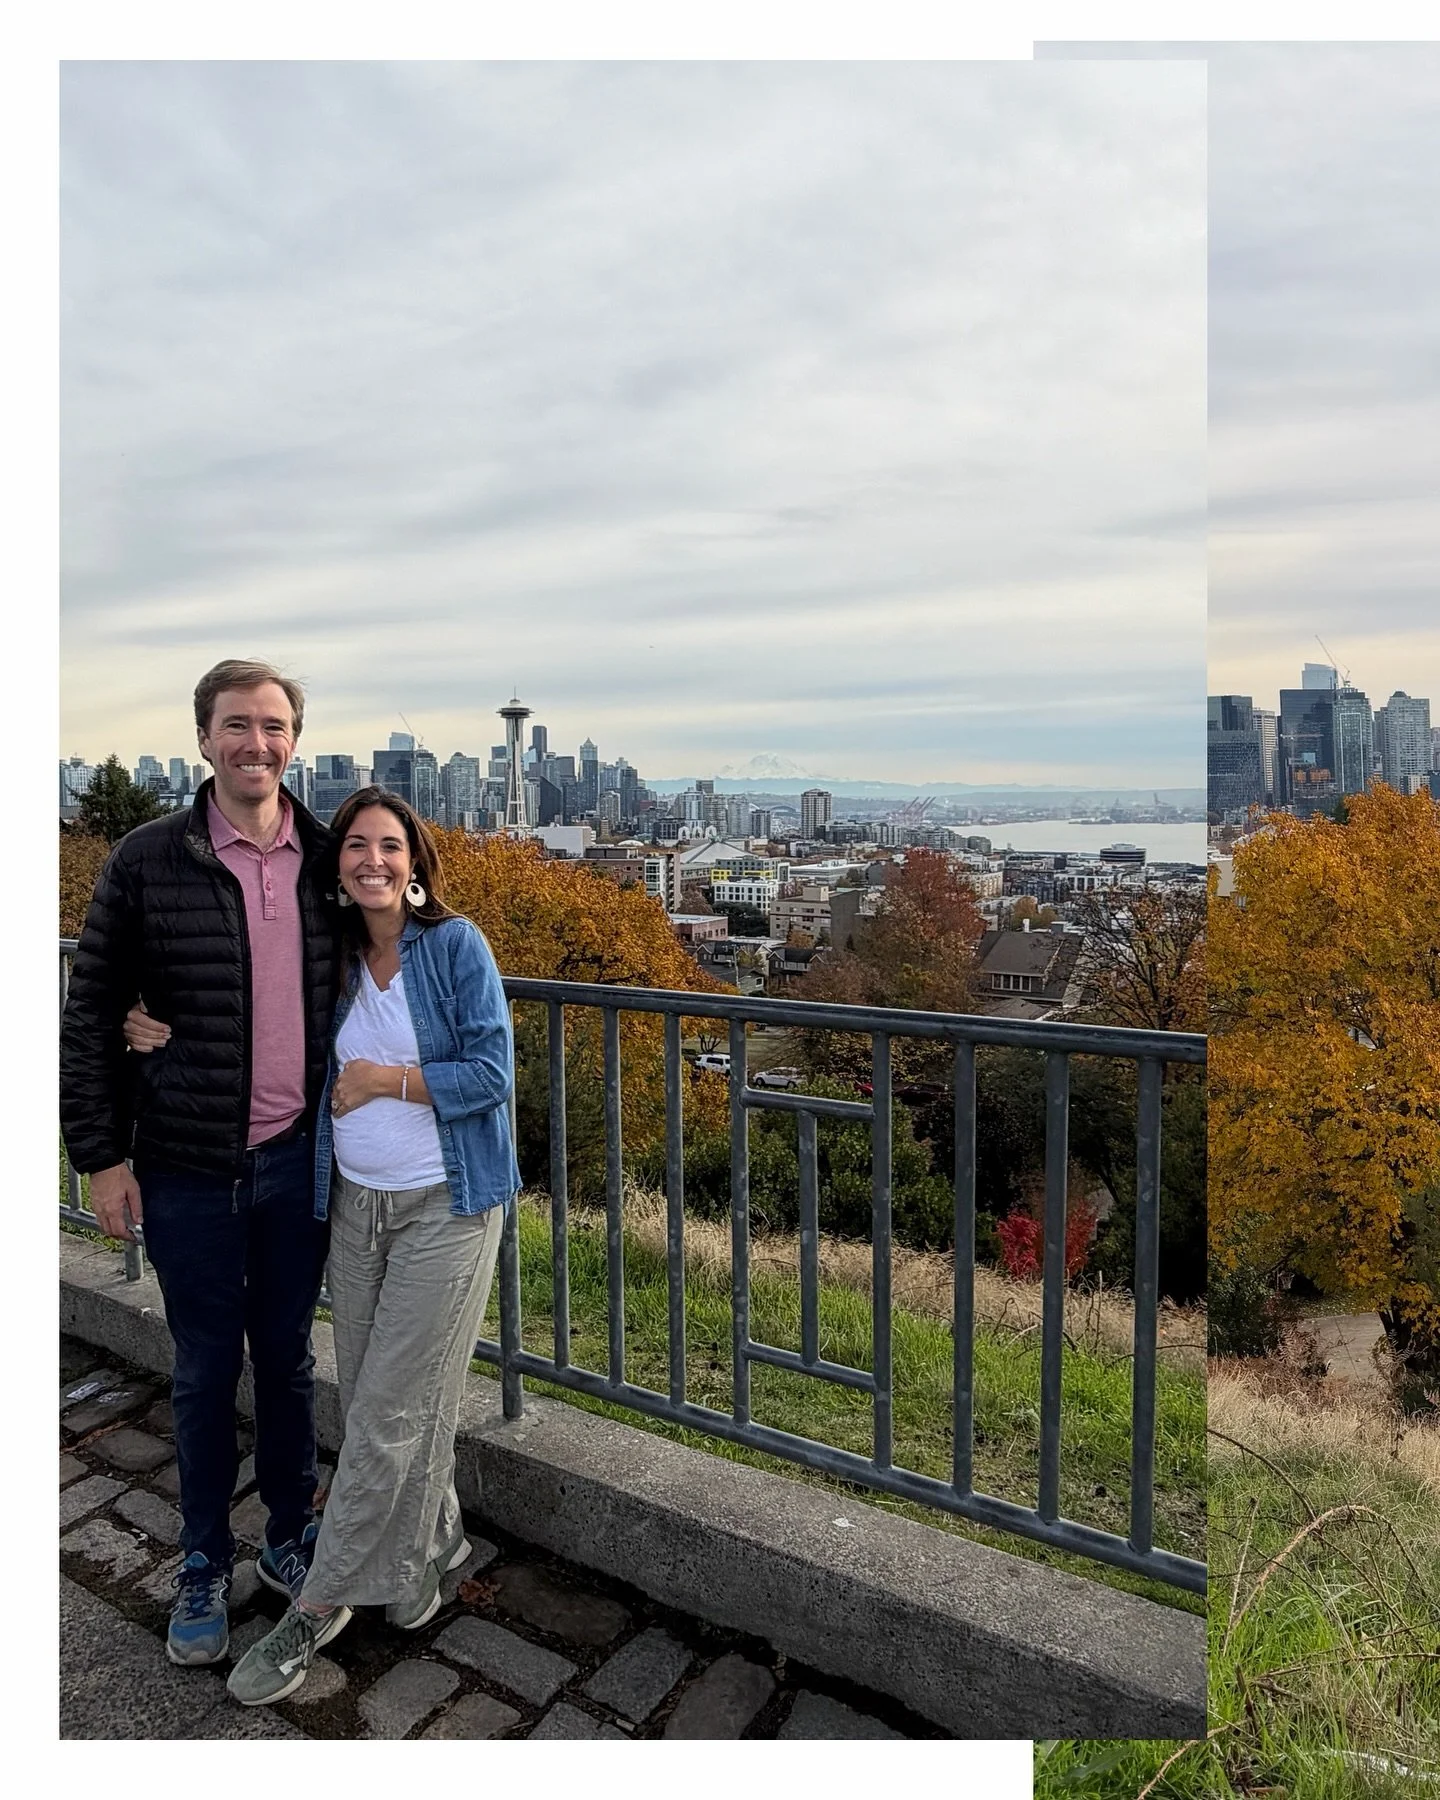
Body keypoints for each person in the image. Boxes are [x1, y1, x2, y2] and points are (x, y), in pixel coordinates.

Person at [60, 659, 341, 1667]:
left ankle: (290, 1540)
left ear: (294, 741)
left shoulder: (326, 853)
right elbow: (91, 1012)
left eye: (273, 726)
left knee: (291, 1366)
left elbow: (403, 934)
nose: (255, 744)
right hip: (182, 1167)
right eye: (237, 726)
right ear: (204, 739)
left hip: (295, 1160)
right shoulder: (147, 858)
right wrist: (100, 1157)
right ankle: (204, 1561)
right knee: (202, 1371)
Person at [219, 786, 521, 1705]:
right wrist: (143, 1021)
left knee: (388, 1410)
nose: (373, 861)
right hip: (354, 1207)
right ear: (336, 865)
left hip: (448, 1208)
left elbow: (492, 1074)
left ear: (416, 865)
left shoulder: (455, 948)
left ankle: (317, 1605)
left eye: (390, 847)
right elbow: (256, 1018)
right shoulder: (335, 960)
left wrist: (384, 1080)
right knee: (387, 1399)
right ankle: (432, 1550)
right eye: (356, 846)